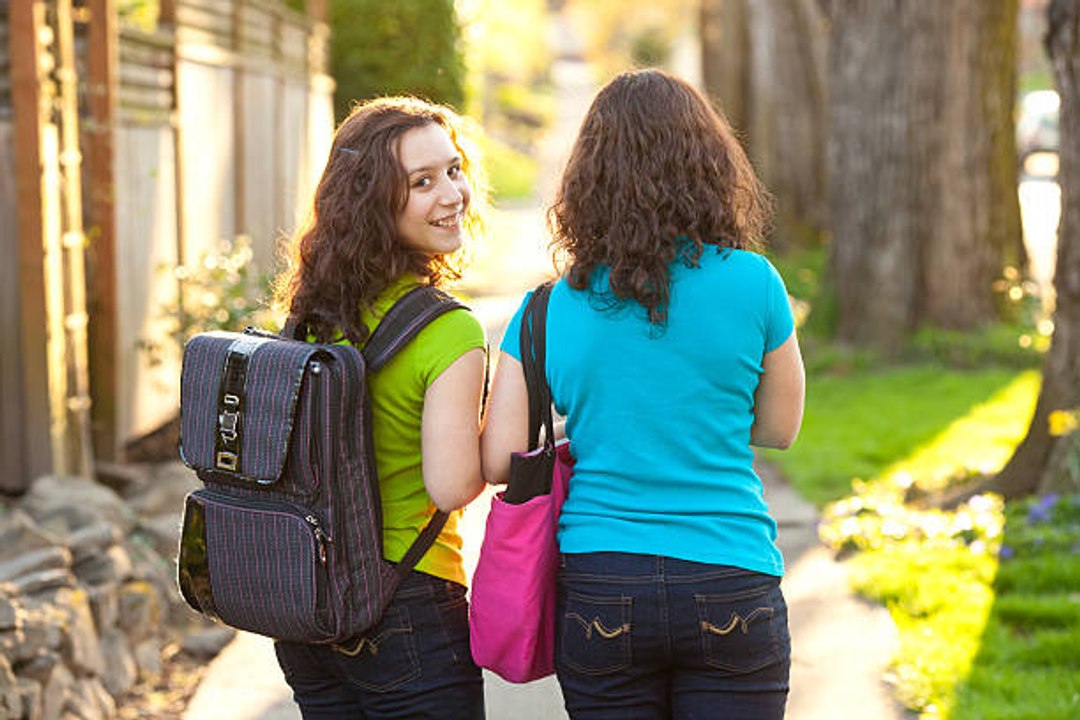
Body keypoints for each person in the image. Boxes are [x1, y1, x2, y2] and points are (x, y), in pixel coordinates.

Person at [481, 68, 805, 719]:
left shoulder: (546, 309)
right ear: (710, 165)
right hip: (729, 570)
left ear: (588, 179)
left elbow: (497, 461)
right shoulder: (755, 282)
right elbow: (778, 427)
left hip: (603, 580)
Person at [271, 96, 488, 719]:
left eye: (453, 169)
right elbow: (450, 487)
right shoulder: (448, 332)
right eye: (422, 183)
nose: (452, 194)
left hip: (310, 605)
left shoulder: (310, 316)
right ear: (374, 203)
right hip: (408, 605)